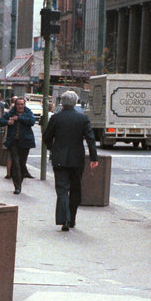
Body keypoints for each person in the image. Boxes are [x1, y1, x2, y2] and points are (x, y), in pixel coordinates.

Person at [43, 90, 98, 232]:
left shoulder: (56, 118)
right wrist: (93, 157)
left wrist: (52, 148)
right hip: (77, 159)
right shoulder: (83, 118)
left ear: (62, 102)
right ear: (75, 102)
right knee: (75, 189)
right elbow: (90, 139)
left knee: (62, 189)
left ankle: (64, 219)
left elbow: (46, 137)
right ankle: (72, 218)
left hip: (59, 158)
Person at [0, 96, 36, 195]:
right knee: (16, 164)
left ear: (24, 105)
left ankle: (20, 181)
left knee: (22, 164)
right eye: (18, 104)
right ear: (15, 104)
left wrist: (19, 118)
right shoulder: (11, 112)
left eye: (22, 104)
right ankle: (17, 186)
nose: (20, 106)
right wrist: (7, 122)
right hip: (13, 142)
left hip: (25, 142)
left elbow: (32, 121)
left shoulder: (28, 112)